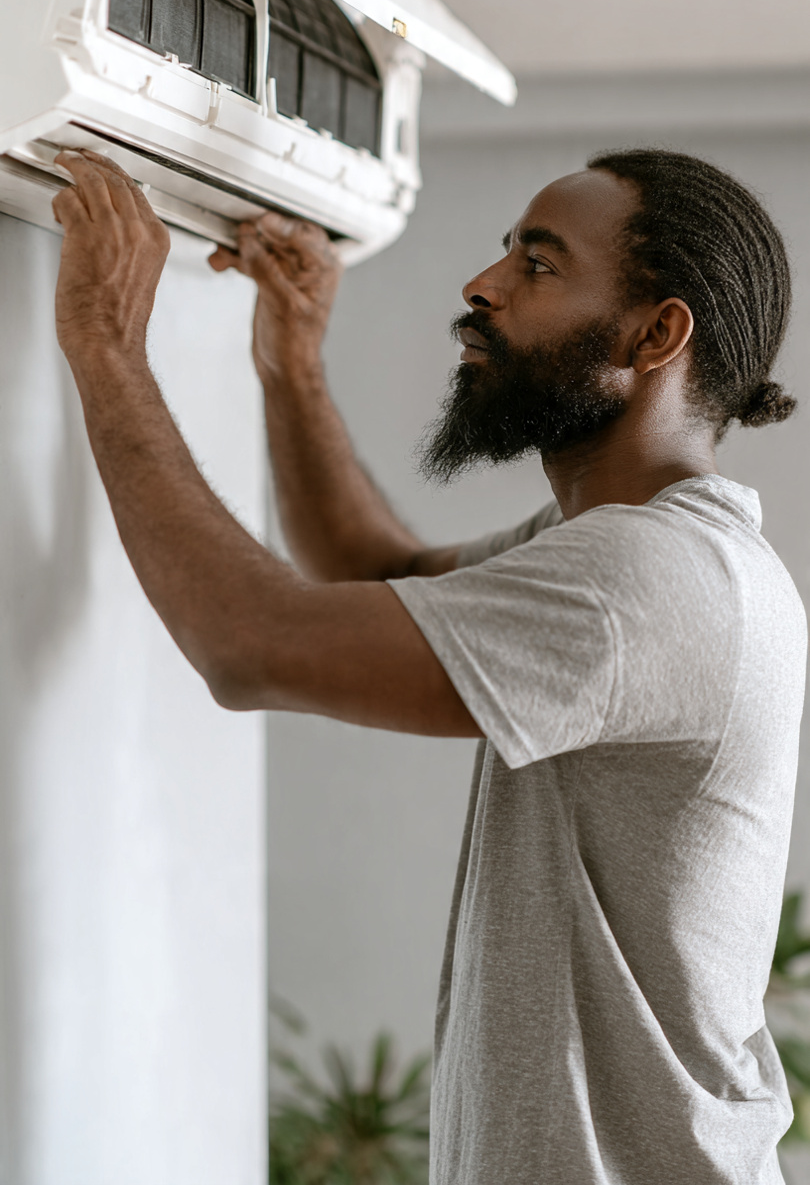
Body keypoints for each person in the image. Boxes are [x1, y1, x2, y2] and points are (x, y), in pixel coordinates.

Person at [52, 145, 806, 1185]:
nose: (483, 284)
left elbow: (250, 646)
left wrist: (103, 343)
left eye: (537, 265)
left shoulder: (651, 577)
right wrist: (294, 367)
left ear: (654, 333)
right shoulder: (650, 550)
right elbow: (374, 572)